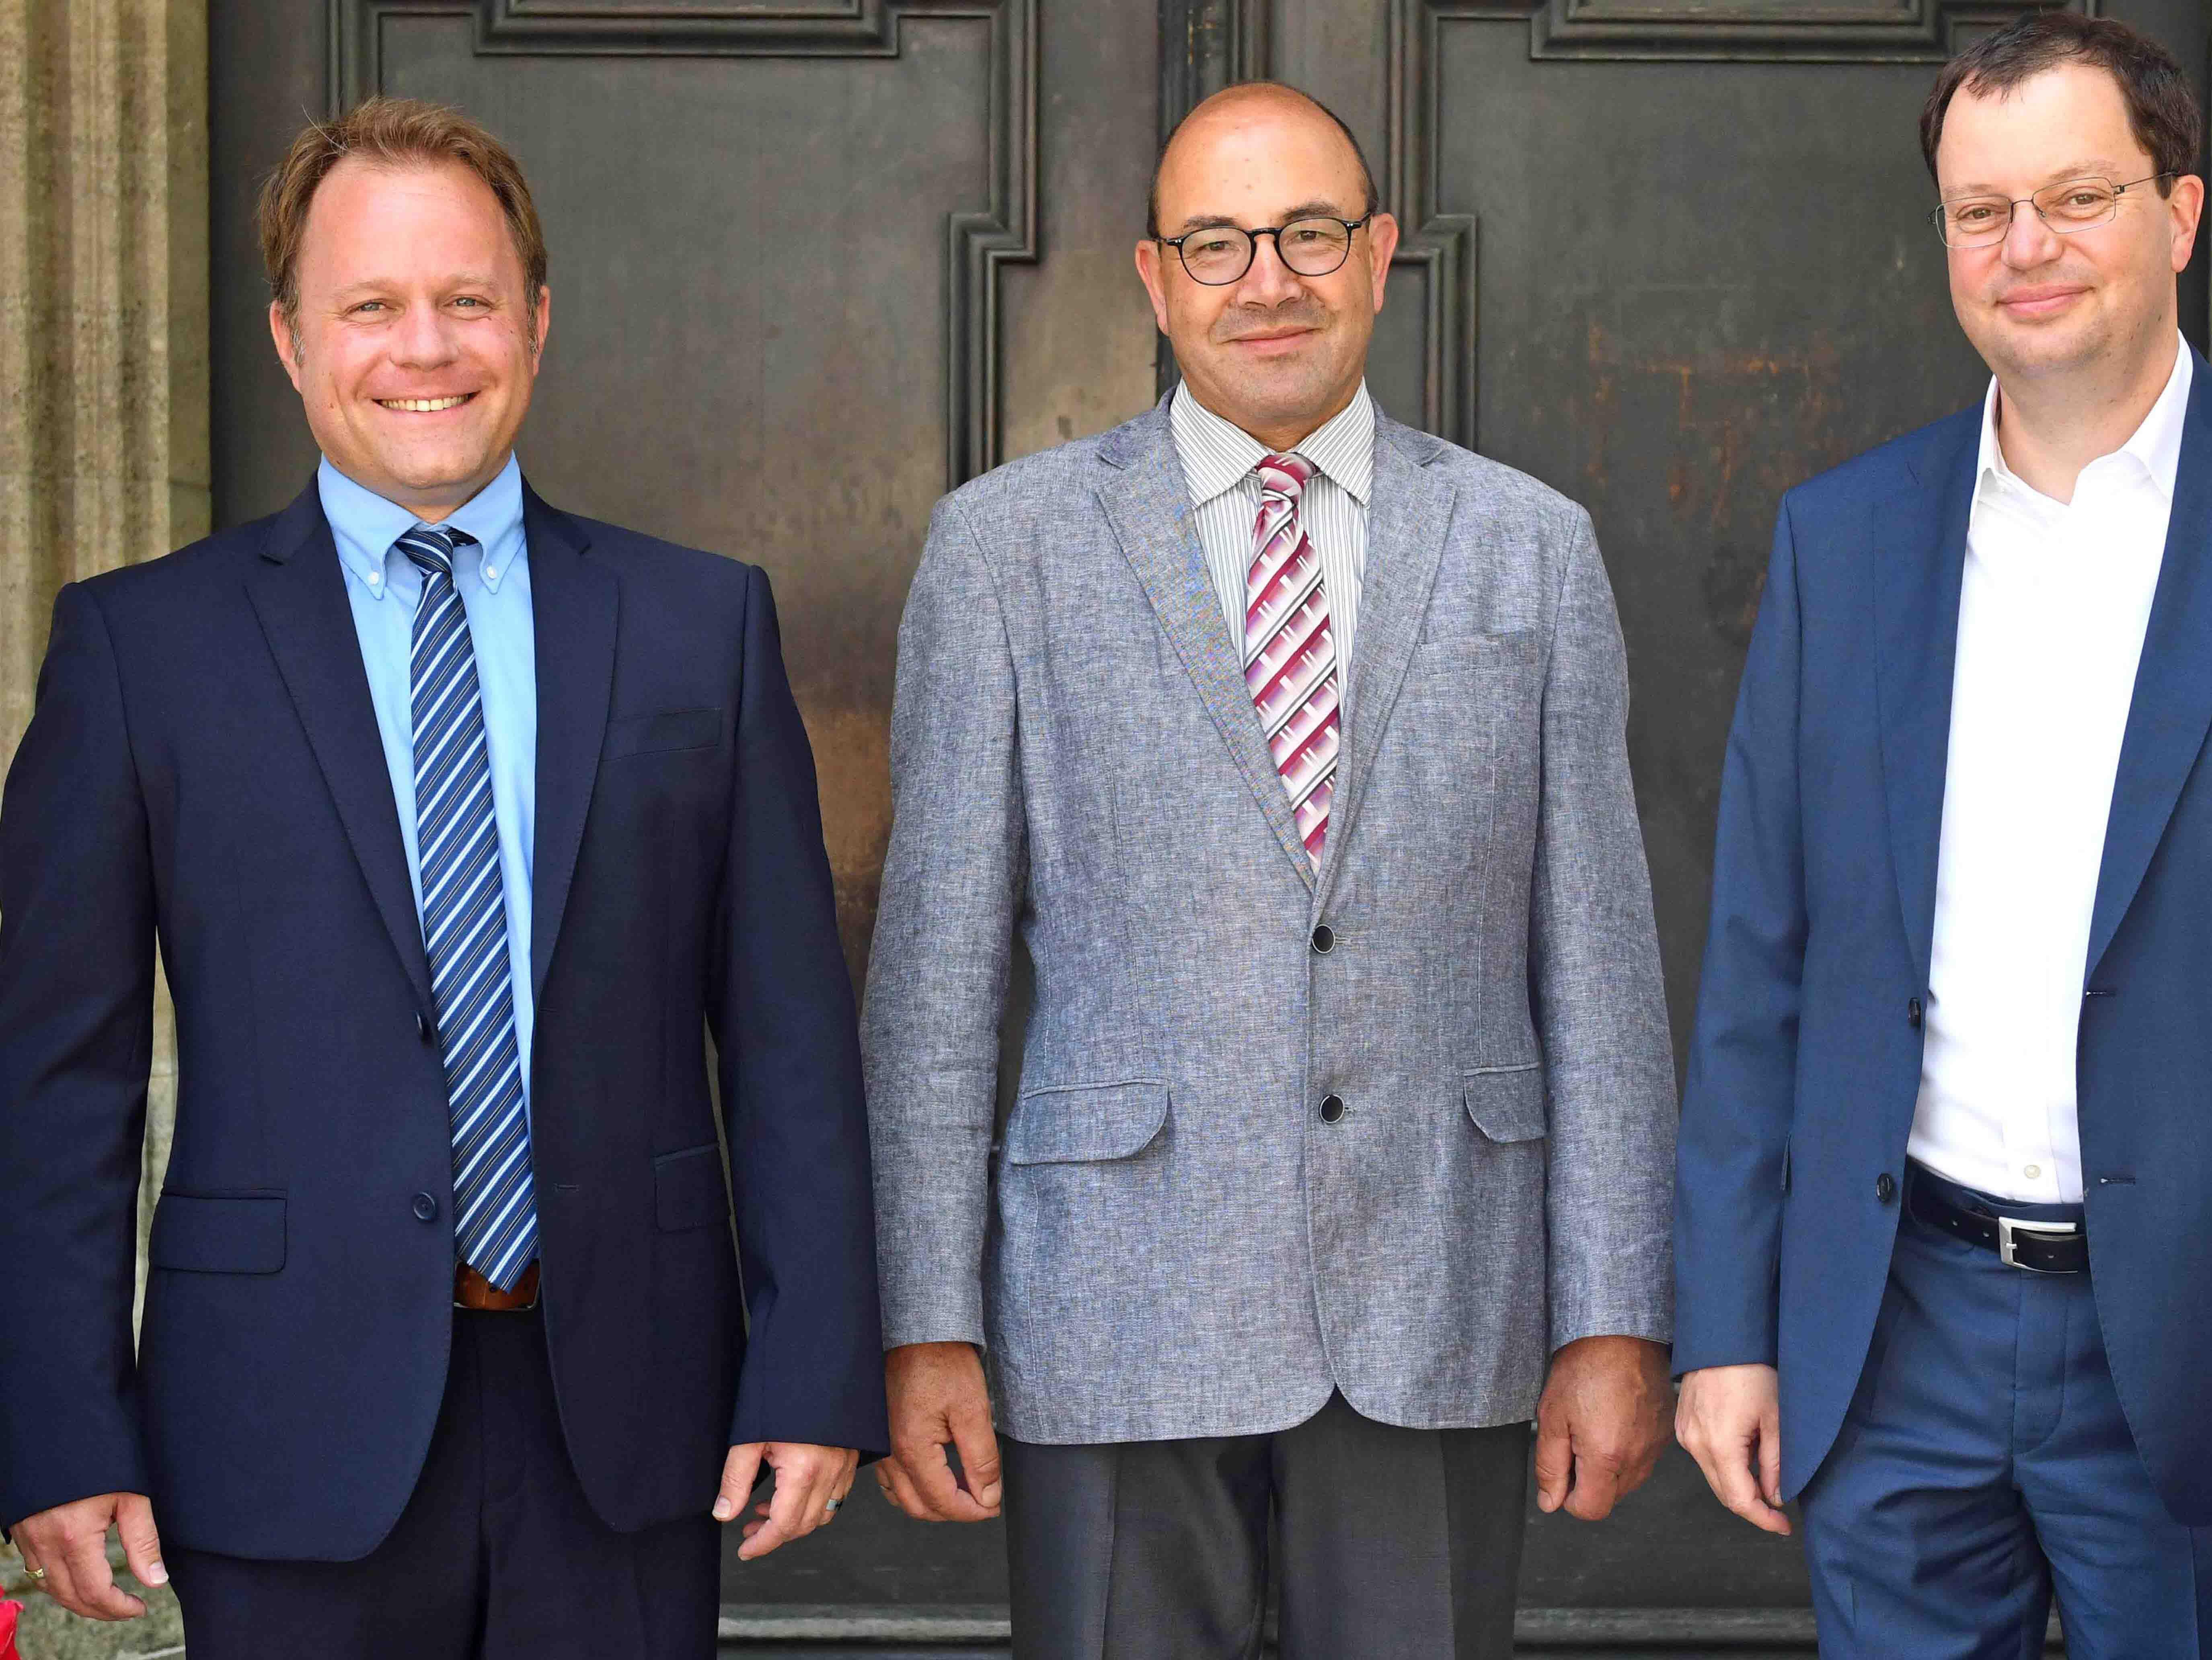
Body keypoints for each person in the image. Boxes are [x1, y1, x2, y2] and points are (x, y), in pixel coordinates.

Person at [0, 97, 886, 1658]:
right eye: (372, 306)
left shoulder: (698, 627)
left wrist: (813, 1363)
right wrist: (57, 1422)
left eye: (467, 300)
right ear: (288, 337)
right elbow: (57, 1082)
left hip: (624, 1420)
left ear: (535, 323)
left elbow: (789, 1040)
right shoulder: (142, 650)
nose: (427, 347)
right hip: (279, 1421)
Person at [1672, 14, 2212, 1657]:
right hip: (1896, 1335)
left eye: (2075, 196)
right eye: (1983, 211)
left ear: (2179, 213)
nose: (2026, 248)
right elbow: (1766, 957)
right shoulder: (1845, 537)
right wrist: (1725, 1326)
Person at [863, 80, 1677, 1660]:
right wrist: (926, 1322)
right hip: (1106, 1317)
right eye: (1219, 243)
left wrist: (1614, 1316)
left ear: (1379, 257)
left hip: (1442, 1298)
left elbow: (1602, 977)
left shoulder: (1531, 549)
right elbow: (934, 994)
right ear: (1155, 278)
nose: (1269, 279)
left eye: (1308, 233)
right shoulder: (1004, 551)